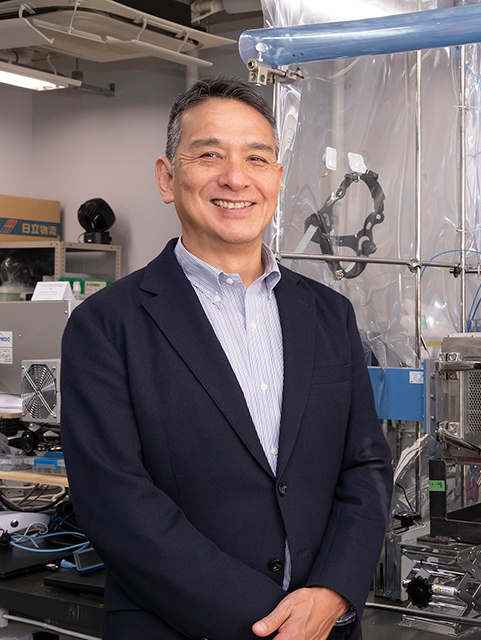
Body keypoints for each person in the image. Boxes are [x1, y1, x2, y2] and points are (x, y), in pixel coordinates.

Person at [60, 78, 393, 640]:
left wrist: (333, 593)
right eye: (209, 155)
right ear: (168, 177)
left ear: (277, 180)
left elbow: (364, 466)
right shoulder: (105, 325)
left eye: (256, 158)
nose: (235, 177)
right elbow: (116, 502)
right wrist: (268, 623)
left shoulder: (328, 314)